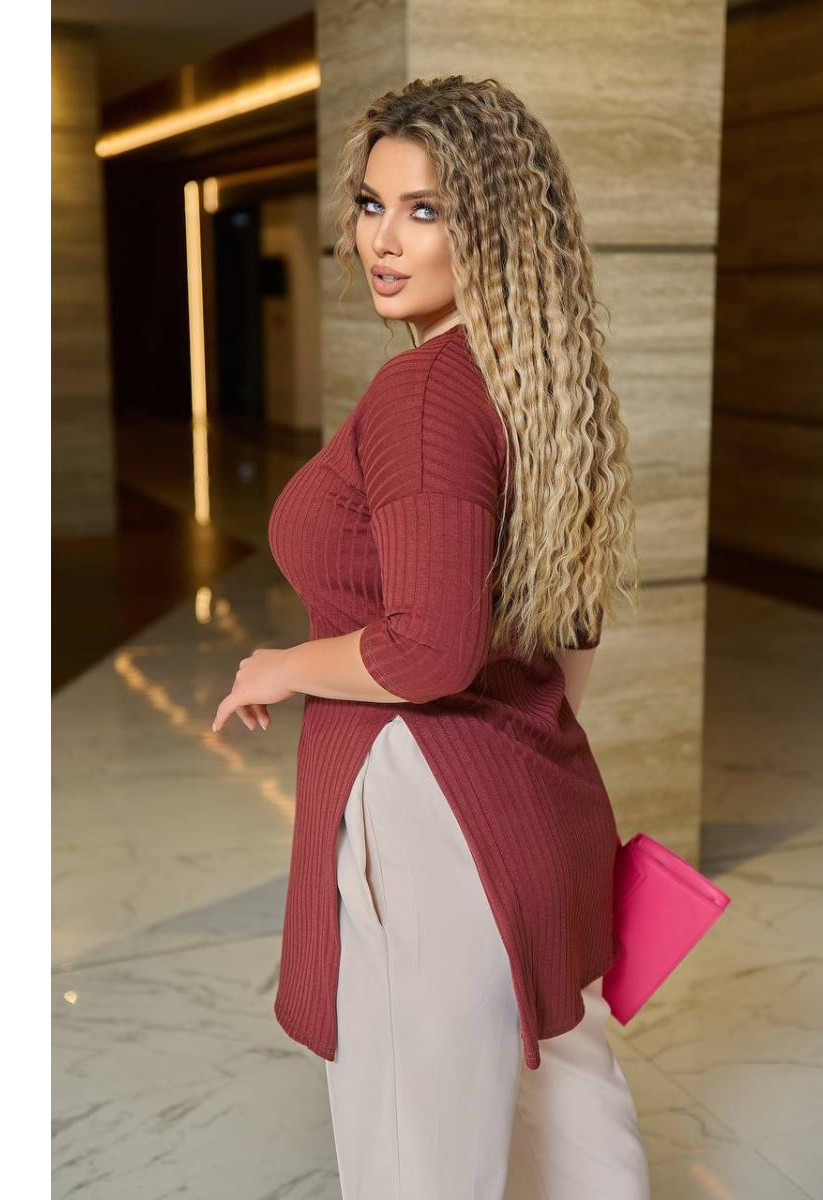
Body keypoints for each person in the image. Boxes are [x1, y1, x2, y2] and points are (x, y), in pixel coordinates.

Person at [212, 75, 650, 1199]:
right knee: (571, 1125)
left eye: (426, 210)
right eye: (372, 205)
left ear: (491, 228)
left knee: (418, 1154)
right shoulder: (539, 382)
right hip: (531, 794)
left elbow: (426, 654)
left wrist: (281, 665)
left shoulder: (425, 397)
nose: (383, 241)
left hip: (425, 807)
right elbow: (573, 622)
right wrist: (511, 748)